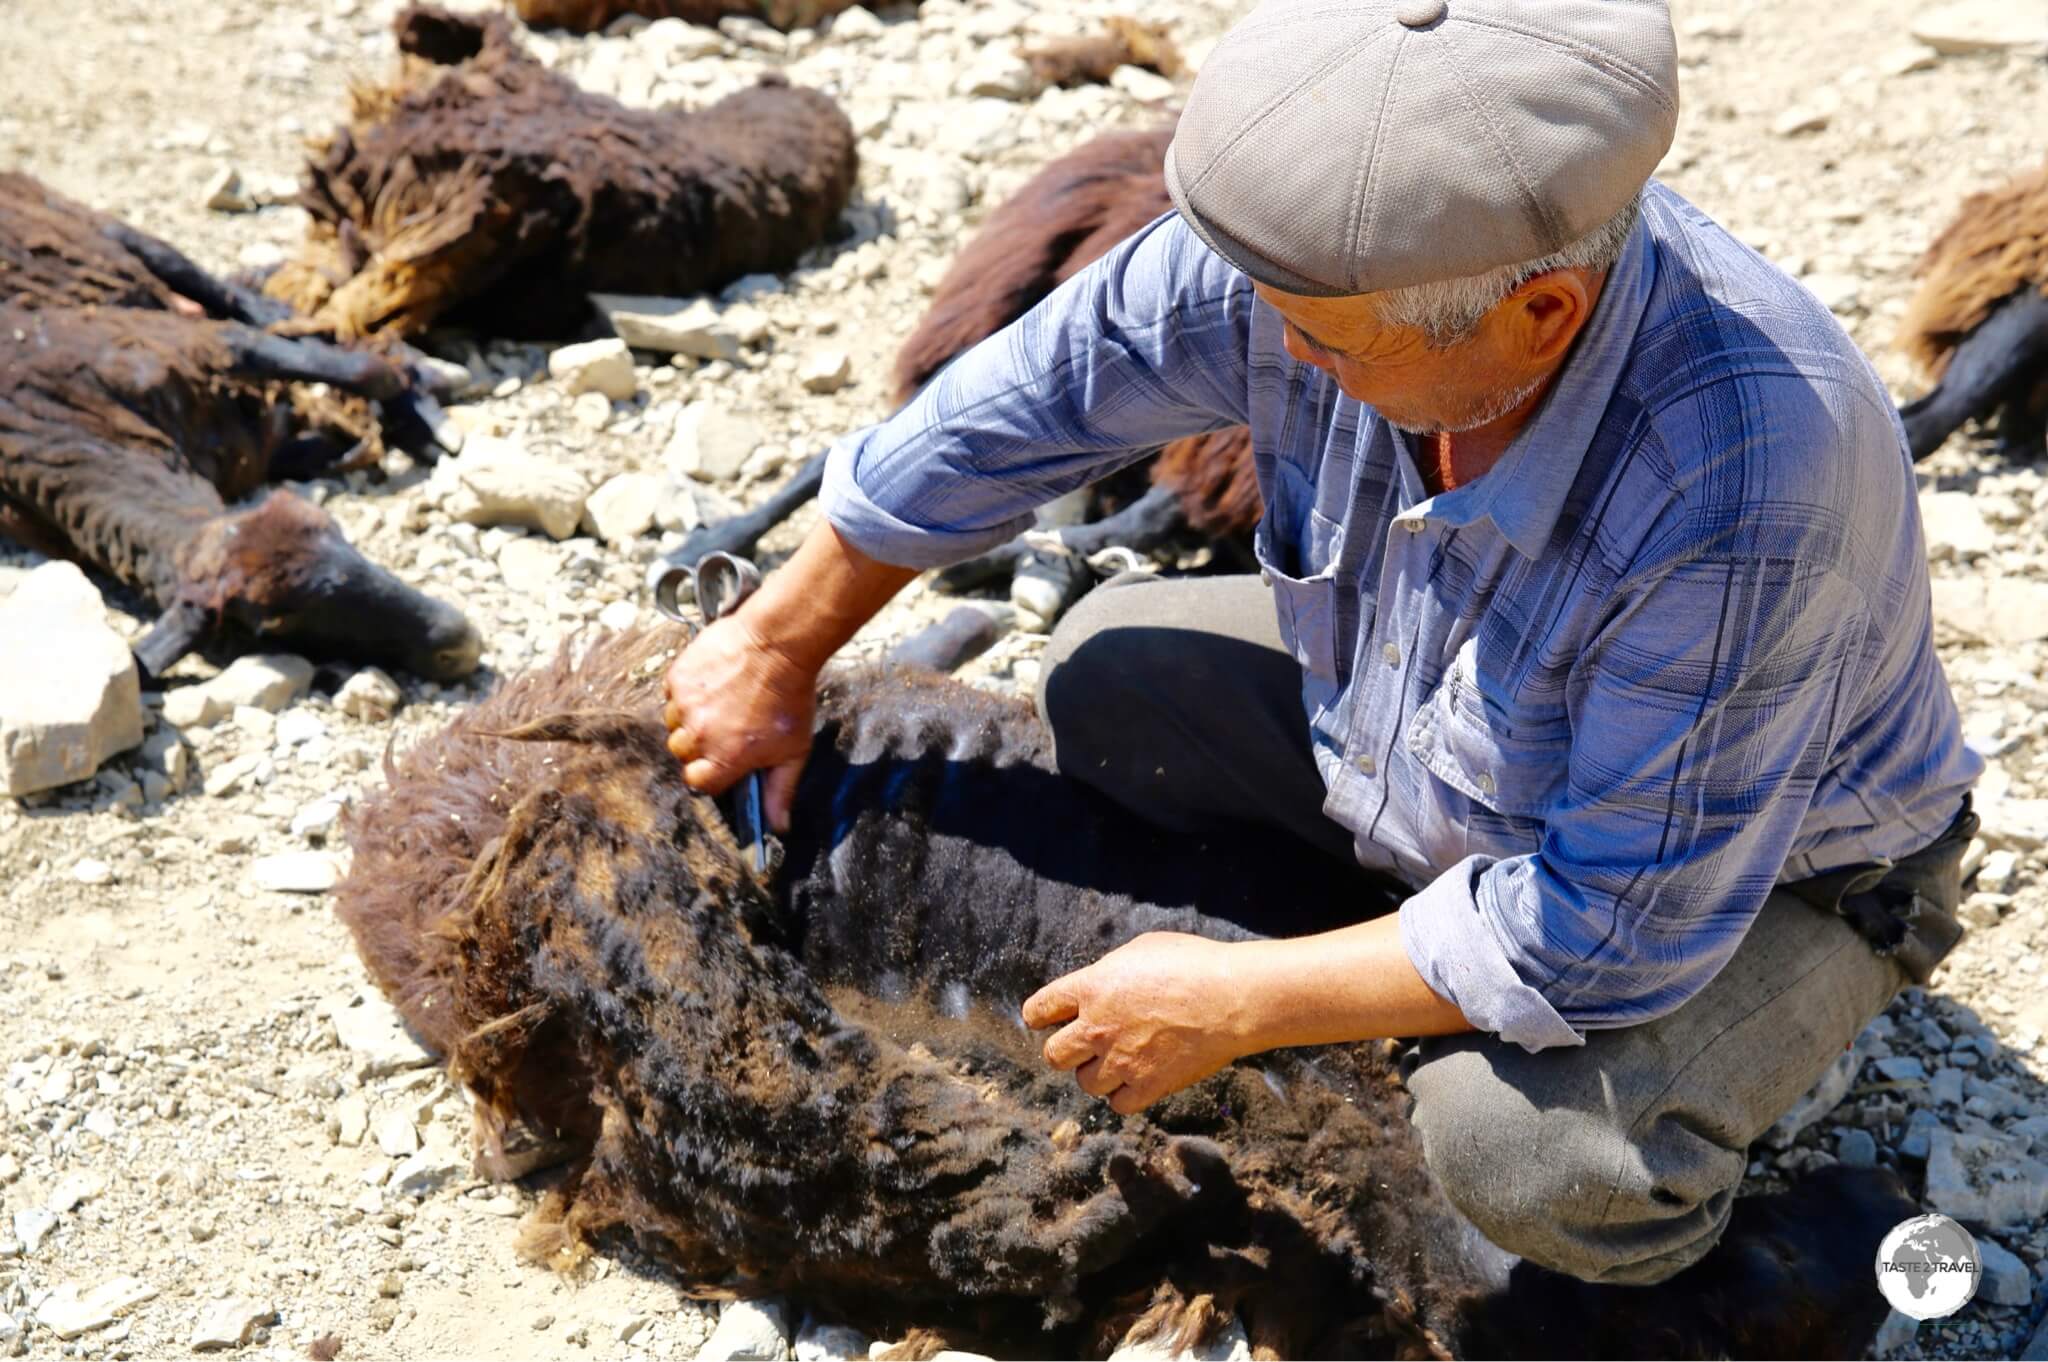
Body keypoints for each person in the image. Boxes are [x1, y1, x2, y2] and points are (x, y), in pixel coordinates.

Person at [660, 0, 1981, 1286]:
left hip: (1758, 876)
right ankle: (1397, 942)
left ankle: (1786, 1234)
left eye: (1325, 341)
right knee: (1113, 671)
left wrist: (1237, 1003)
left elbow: (1600, 928)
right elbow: (1036, 396)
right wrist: (778, 642)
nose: (1273, 345)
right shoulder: (1338, 274)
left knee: (1523, 1163)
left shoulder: (1742, 479)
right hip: (1450, 745)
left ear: (1541, 319)